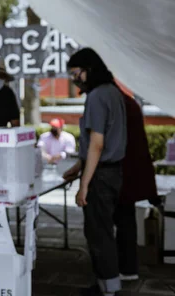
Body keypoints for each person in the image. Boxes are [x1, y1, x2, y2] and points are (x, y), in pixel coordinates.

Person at [62, 48, 127, 296]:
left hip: (101, 176)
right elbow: (102, 143)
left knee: (99, 234)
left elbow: (98, 144)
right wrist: (77, 167)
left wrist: (84, 185)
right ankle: (104, 284)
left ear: (89, 70)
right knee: (102, 230)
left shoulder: (98, 96)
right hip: (112, 172)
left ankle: (109, 289)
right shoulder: (113, 92)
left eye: (76, 73)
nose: (74, 79)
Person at [113, 90, 158, 281]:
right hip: (128, 174)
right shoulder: (129, 104)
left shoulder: (115, 104)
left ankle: (118, 270)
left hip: (119, 173)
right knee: (126, 222)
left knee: (116, 224)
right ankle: (128, 268)